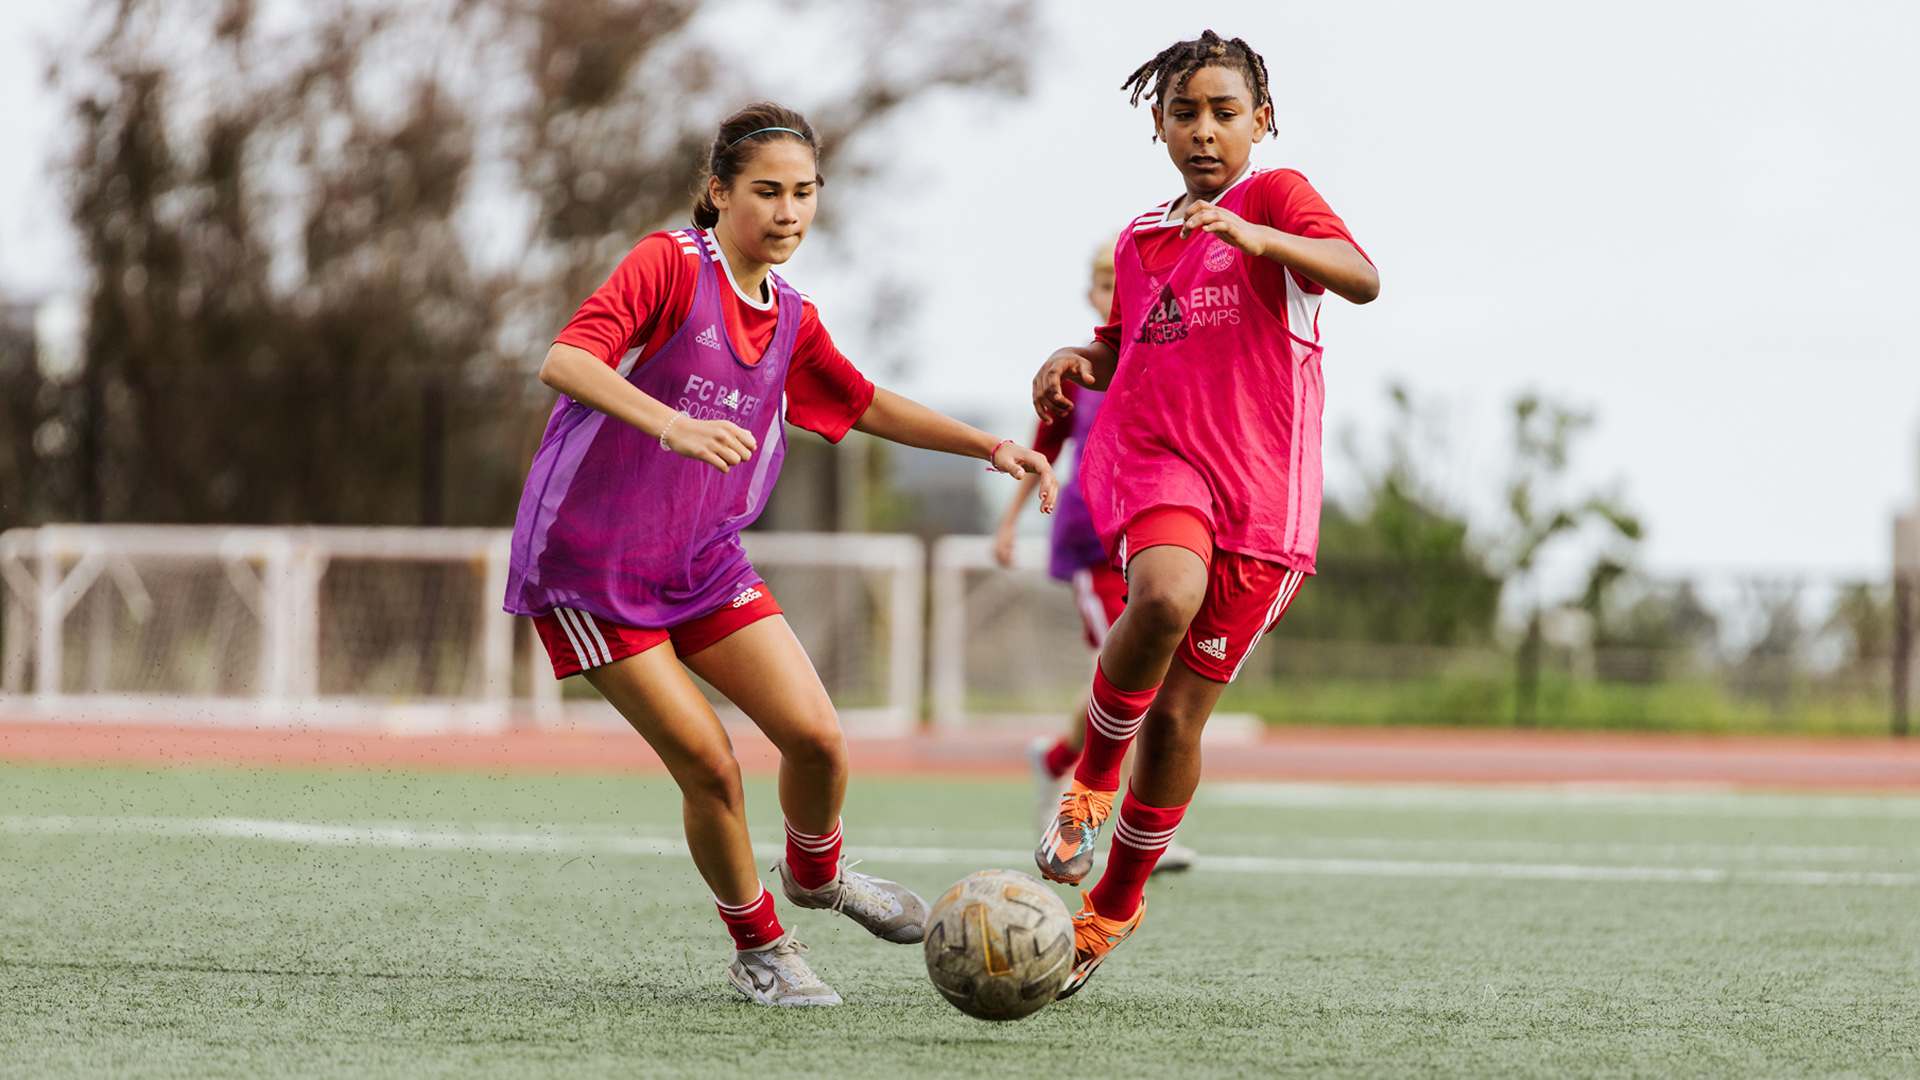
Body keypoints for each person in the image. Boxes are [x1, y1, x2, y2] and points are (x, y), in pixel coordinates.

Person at [506, 102, 1057, 1007]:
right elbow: (567, 360)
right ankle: (760, 945)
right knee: (712, 764)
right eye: (766, 191)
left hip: (703, 562)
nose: (788, 211)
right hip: (592, 571)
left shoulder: (793, 316)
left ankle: (817, 872)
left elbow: (865, 400)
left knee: (818, 740)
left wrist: (990, 447)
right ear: (717, 192)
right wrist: (672, 424)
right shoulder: (668, 267)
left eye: (804, 193)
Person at [1028, 31, 1378, 998]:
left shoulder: (1276, 199)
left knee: (1180, 720)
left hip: (1265, 508)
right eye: (1186, 113)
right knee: (1163, 593)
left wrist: (1264, 238)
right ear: (1158, 126)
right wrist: (1075, 362)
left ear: (1262, 122)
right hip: (1160, 464)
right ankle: (1090, 784)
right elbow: (1124, 348)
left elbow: (1360, 273)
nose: (1205, 130)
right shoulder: (1144, 242)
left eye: (1226, 113)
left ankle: (1113, 907)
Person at [990, 239, 1194, 874]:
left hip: (1159, 534)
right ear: (1092, 293)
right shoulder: (1081, 368)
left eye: (1123, 279)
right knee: (1142, 679)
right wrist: (1008, 524)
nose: (1114, 289)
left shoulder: (1172, 349)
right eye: (1104, 281)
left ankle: (1056, 760)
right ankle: (1113, 825)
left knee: (1134, 678)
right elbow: (1041, 448)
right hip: (1095, 541)